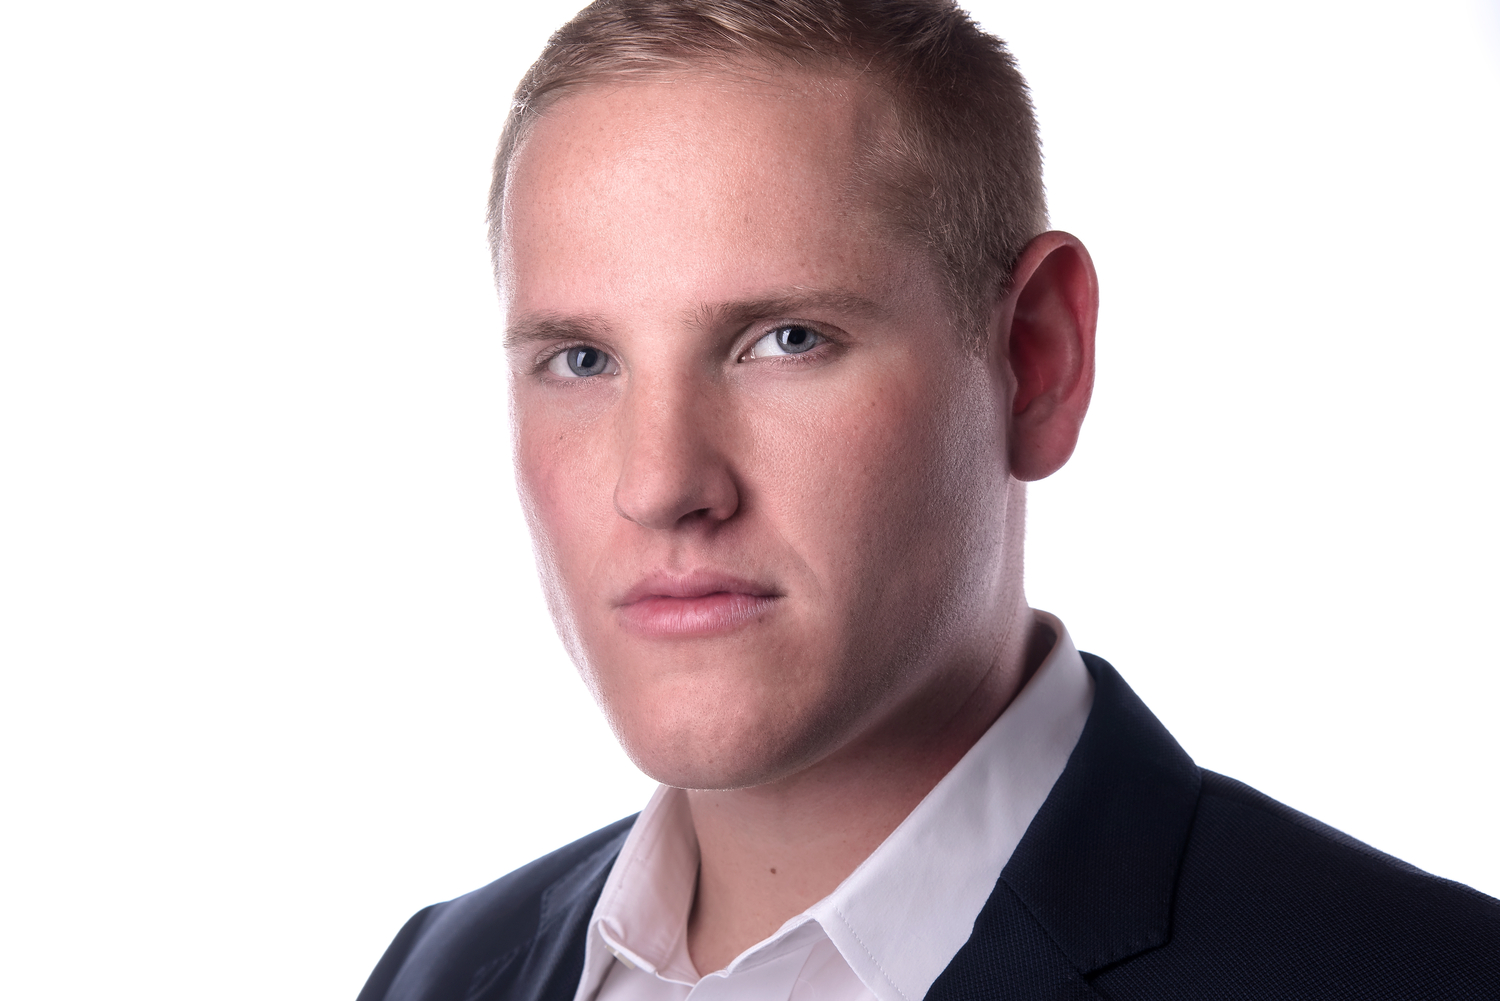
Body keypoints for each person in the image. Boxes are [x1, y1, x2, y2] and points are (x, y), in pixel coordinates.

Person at [357, 2, 1500, 999]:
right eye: (581, 359)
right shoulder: (442, 968)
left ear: (1036, 359)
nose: (662, 485)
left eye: (785, 339)